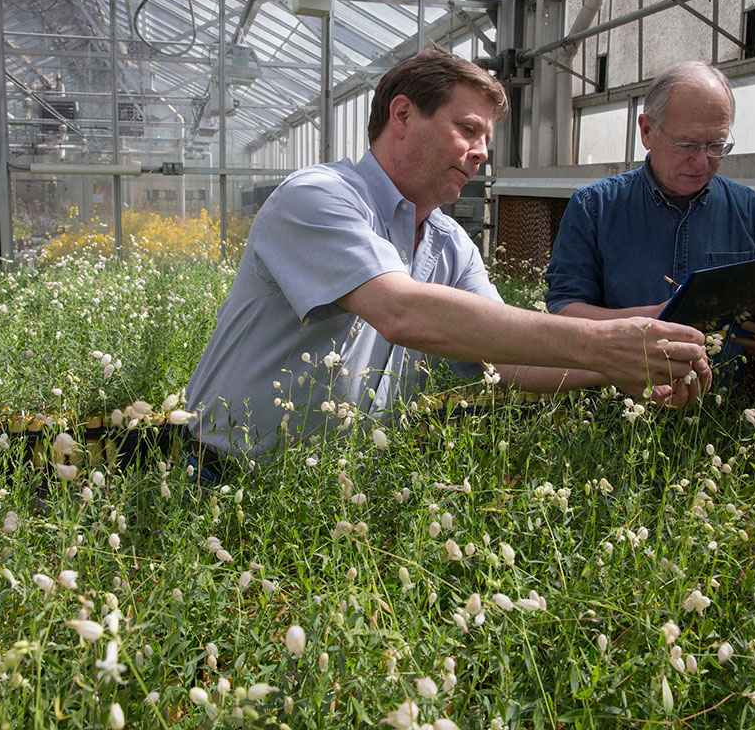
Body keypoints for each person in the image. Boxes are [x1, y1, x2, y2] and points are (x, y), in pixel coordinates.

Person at [184, 49, 712, 474]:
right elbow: (401, 312)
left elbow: (507, 364)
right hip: (224, 475)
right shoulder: (317, 197)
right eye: (467, 129)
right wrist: (603, 344)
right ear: (403, 116)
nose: (482, 152)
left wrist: (627, 358)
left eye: (487, 138)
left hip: (333, 493)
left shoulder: (449, 243)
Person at [544, 60, 755, 374]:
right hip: (613, 410)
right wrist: (656, 318)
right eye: (686, 145)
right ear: (647, 131)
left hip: (721, 417)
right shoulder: (594, 209)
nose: (701, 161)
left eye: (717, 145)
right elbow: (564, 312)